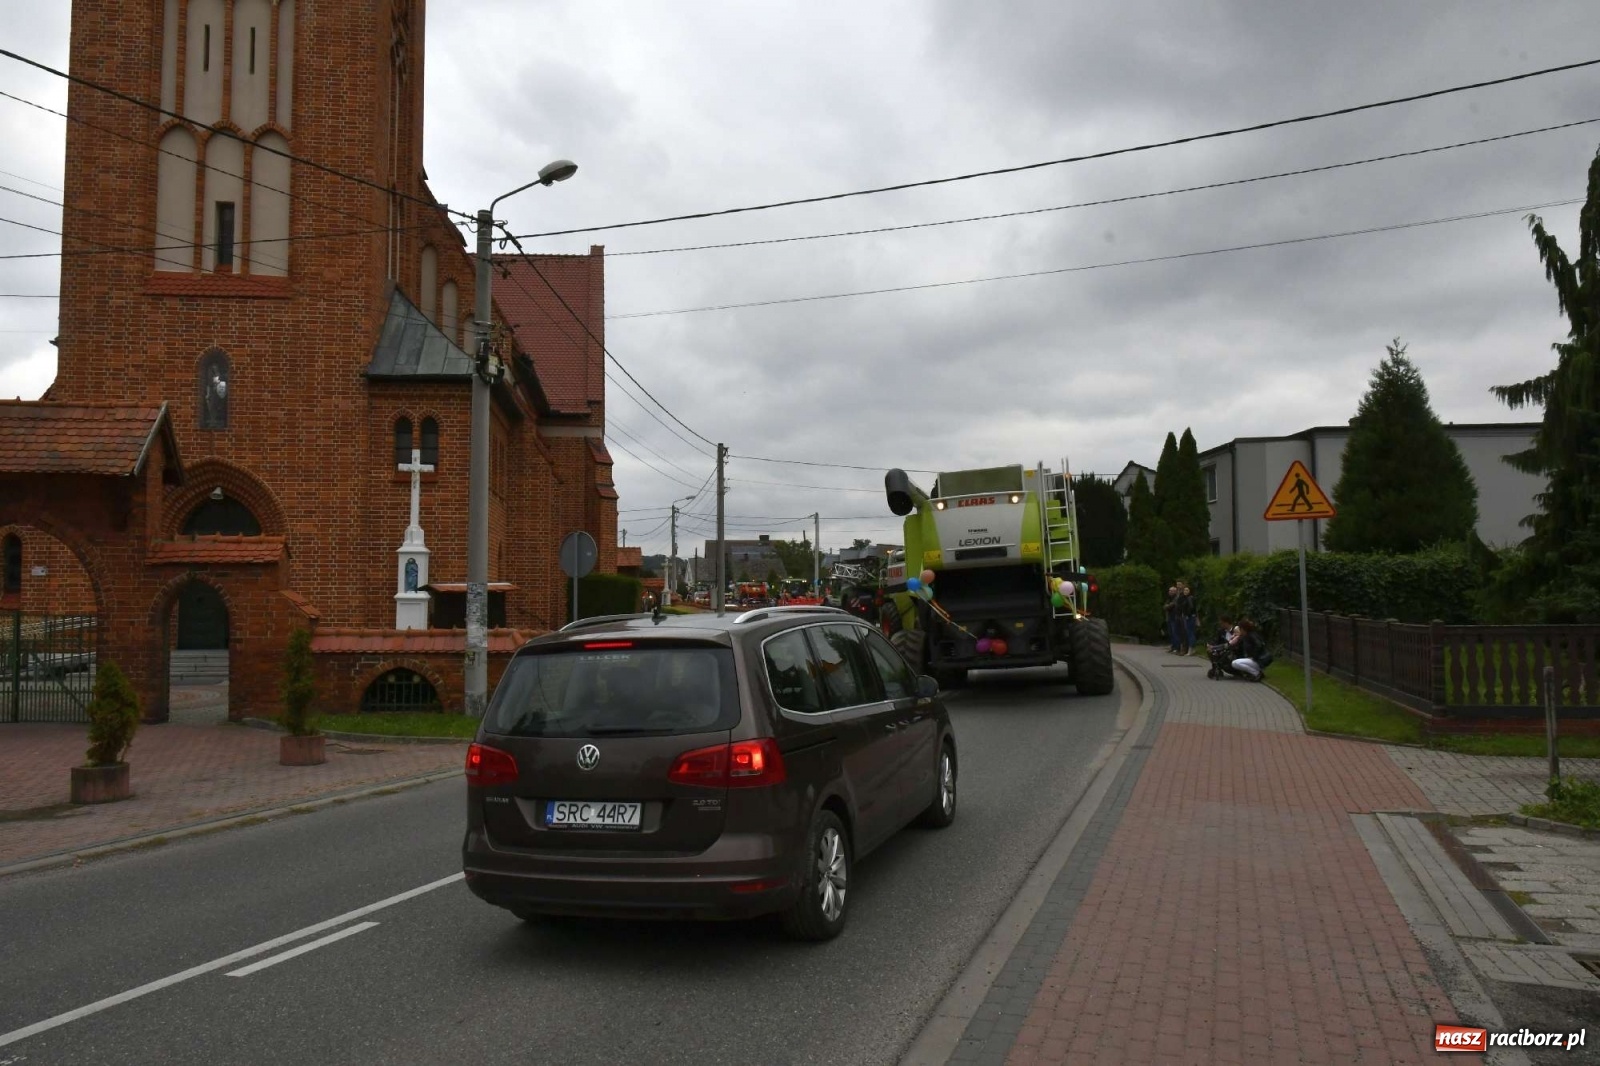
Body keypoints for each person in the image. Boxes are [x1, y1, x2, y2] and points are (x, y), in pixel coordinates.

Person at [1173, 583, 1195, 655]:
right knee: (1187, 632)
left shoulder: (1190, 598)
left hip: (1189, 617)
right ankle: (1188, 649)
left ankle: (1190, 649)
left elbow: (1191, 608)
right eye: (1185, 590)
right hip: (1185, 616)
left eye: (1187, 590)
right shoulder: (1184, 598)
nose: (1185, 591)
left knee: (1190, 632)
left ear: (1189, 591)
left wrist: (1188, 615)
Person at [1164, 586, 1181, 653]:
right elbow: (1165, 605)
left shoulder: (1176, 598)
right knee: (1171, 633)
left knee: (1175, 633)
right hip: (1169, 617)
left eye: (1171, 591)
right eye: (1169, 590)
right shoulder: (1169, 598)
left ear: (1175, 591)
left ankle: (1177, 647)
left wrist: (1167, 606)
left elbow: (1172, 605)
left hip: (1174, 617)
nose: (1169, 592)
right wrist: (1167, 606)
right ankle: (1173, 646)